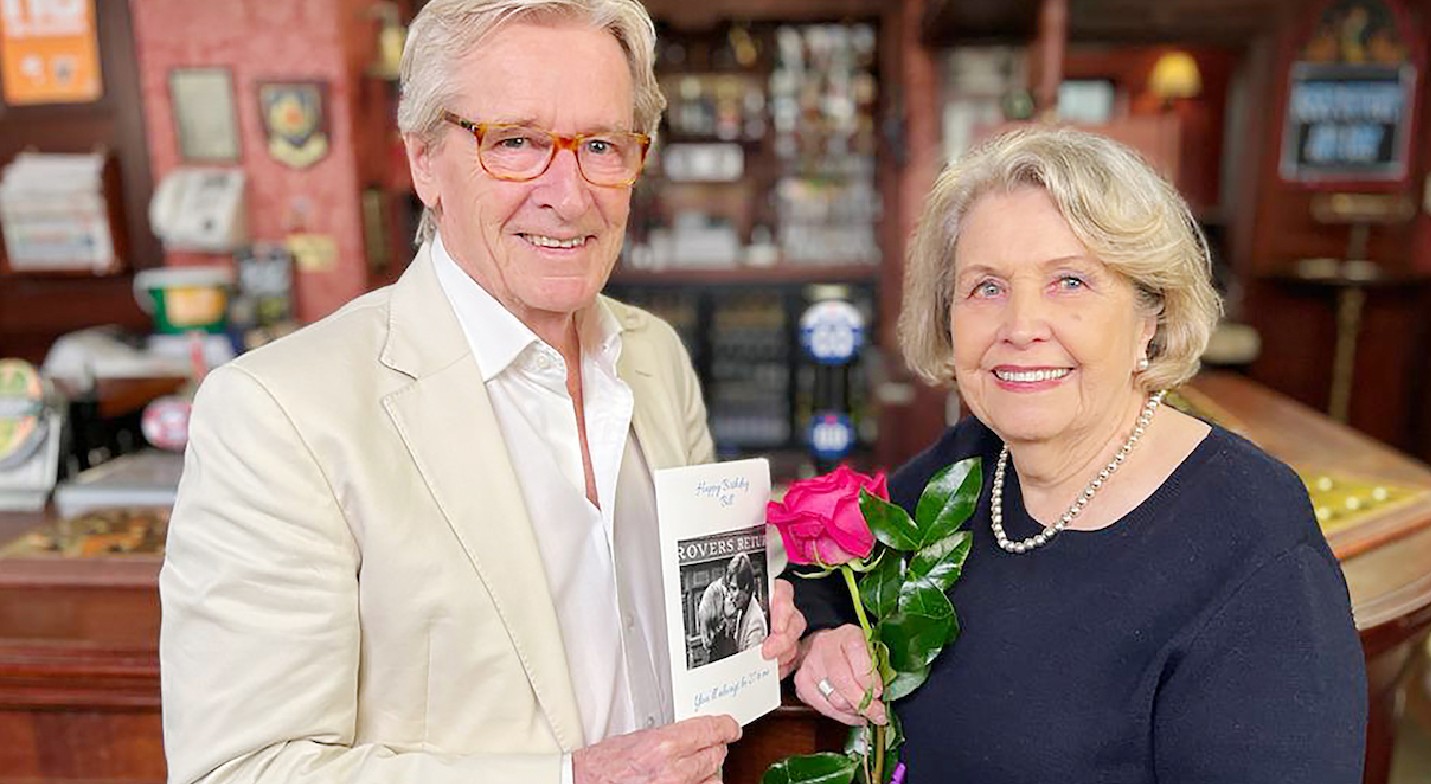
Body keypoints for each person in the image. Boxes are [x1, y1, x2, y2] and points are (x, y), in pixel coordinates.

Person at [157, 2, 806, 783]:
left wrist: (768, 630)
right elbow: (239, 771)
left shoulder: (654, 356)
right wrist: (575, 779)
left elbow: (708, 620)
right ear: (424, 160)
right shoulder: (277, 413)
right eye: (518, 143)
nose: (569, 195)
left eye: (601, 145)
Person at [789, 127, 1367, 783]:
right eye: (986, 287)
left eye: (1069, 281)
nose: (1020, 326)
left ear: (1151, 314)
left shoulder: (1253, 537)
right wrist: (821, 638)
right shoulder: (972, 463)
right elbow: (817, 578)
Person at [724, 553, 767, 651]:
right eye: (730, 589)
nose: (731, 595)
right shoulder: (742, 609)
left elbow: (749, 663)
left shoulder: (755, 624)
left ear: (746, 587)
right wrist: (729, 620)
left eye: (734, 589)